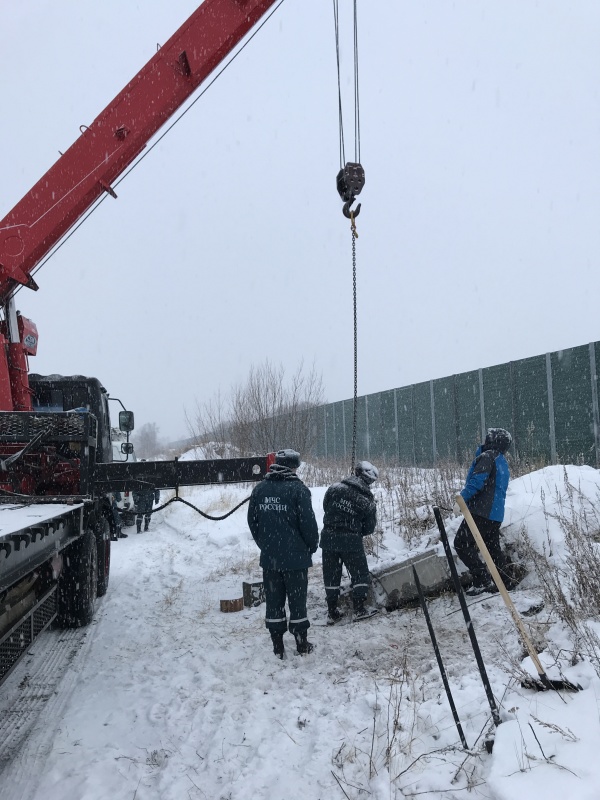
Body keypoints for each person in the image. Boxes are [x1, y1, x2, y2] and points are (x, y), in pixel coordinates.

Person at [247, 448, 319, 659]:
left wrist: (266, 545)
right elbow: (308, 524)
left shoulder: (260, 489)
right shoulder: (299, 490)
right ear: (294, 467)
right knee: (297, 602)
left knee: (274, 601)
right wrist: (310, 547)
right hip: (296, 560)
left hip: (271, 559)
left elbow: (253, 522)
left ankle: (277, 646)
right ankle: (301, 643)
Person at [454, 427, 515, 596]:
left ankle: (482, 580)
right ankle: (505, 581)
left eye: (488, 438)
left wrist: (461, 499)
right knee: (492, 548)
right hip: (495, 514)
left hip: (482, 512)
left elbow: (477, 482)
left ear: (492, 441)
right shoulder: (501, 461)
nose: (484, 440)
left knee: (461, 543)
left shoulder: (487, 457)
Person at [320, 460, 378, 623]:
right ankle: (359, 608)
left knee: (331, 575)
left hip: (329, 538)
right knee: (360, 574)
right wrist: (354, 529)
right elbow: (369, 528)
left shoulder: (334, 488)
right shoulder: (367, 501)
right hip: (351, 541)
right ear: (370, 480)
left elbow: (326, 507)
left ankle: (332, 611)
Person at [133, 462, 160, 533]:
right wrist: (135, 498)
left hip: (150, 498)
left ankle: (146, 527)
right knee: (140, 514)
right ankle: (138, 530)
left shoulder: (151, 476)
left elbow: (156, 488)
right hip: (141, 499)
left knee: (148, 514)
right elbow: (134, 490)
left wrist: (157, 498)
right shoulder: (137, 476)